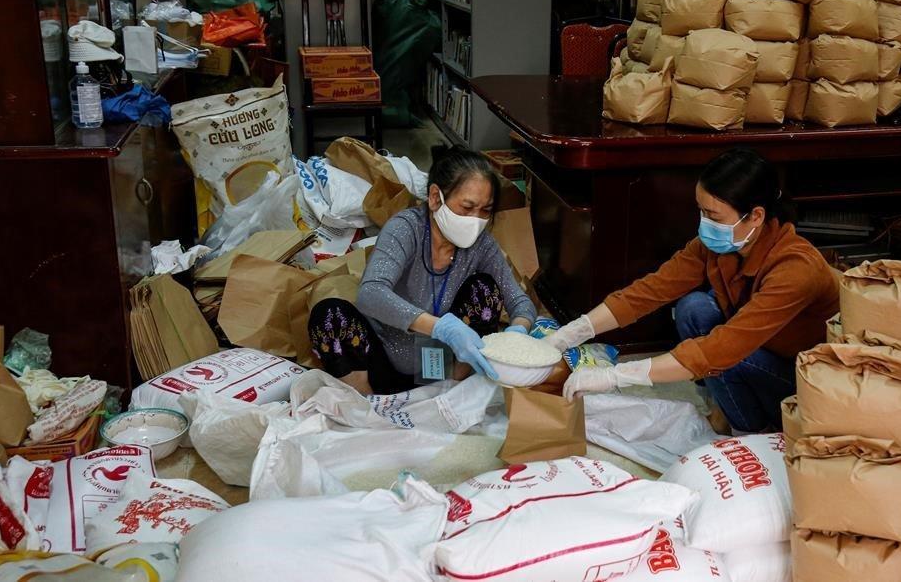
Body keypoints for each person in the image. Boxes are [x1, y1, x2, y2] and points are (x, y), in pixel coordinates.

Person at [548, 148, 839, 432]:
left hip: (803, 378)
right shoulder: (721, 245)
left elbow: (725, 347)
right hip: (758, 345)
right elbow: (650, 291)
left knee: (728, 357)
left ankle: (751, 425)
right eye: (702, 212)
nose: (705, 224)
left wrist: (616, 376)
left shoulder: (797, 269)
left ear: (756, 216)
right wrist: (572, 332)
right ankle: (727, 402)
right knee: (694, 308)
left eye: (714, 216)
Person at [310, 146, 536, 394]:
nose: (476, 219)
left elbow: (520, 302)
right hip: (382, 364)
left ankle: (453, 391)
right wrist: (441, 328)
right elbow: (370, 293)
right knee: (329, 316)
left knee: (484, 290)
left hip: (446, 368)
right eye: (467, 207)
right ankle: (367, 405)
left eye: (485, 210)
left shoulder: (481, 244)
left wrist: (518, 332)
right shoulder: (406, 229)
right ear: (435, 198)